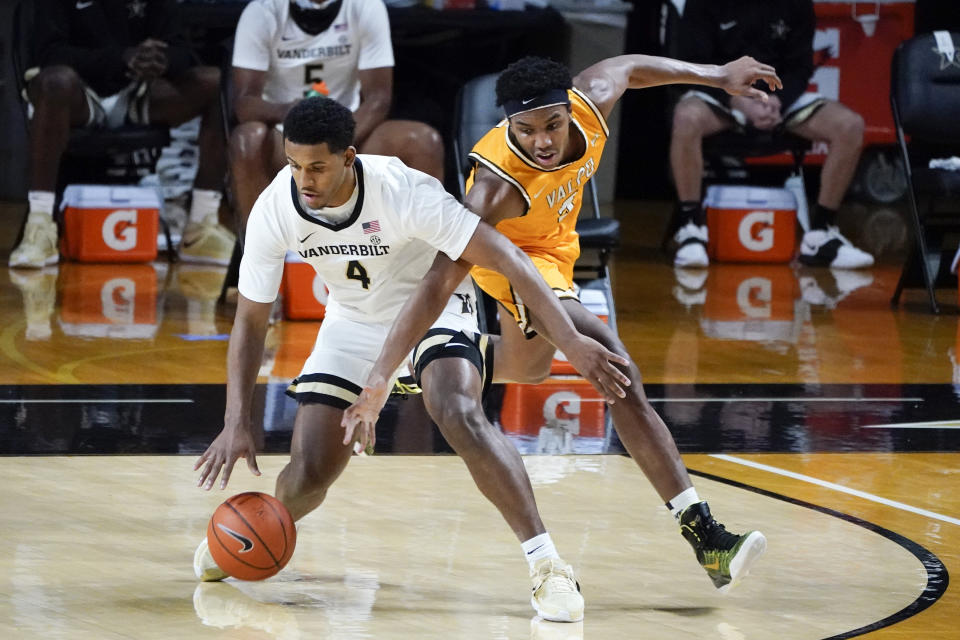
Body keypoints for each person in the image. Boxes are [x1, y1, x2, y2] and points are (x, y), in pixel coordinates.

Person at [342, 54, 775, 601]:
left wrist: (717, 76)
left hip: (556, 252)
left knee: (530, 368)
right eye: (526, 130)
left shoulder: (590, 106)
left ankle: (440, 360)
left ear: (570, 108)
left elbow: (631, 67)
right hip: (505, 261)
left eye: (552, 124)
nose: (542, 141)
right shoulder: (494, 190)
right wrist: (378, 375)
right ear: (508, 126)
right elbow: (437, 279)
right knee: (614, 364)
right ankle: (707, 536)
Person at [193, 97, 632, 623]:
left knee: (458, 410)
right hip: (353, 323)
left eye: (317, 167)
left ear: (349, 158)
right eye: (293, 164)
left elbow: (509, 258)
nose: (303, 180)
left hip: (436, 310)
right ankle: (254, 531)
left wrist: (573, 341)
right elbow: (250, 319)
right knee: (308, 473)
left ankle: (548, 565)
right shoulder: (275, 206)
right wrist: (236, 419)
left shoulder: (404, 191)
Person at [9, 0, 234, 270]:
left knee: (214, 82)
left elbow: (183, 51)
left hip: (136, 90)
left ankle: (201, 224)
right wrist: (121, 58)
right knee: (55, 81)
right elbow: (48, 54)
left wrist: (164, 60)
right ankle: (40, 224)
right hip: (78, 92)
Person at [668, 0, 873, 270]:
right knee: (686, 117)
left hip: (775, 99)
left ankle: (821, 234)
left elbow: (800, 67)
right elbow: (692, 66)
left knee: (850, 126)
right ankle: (692, 229)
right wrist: (738, 100)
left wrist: (779, 101)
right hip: (722, 96)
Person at [228, 0, 445, 239]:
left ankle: (424, 257)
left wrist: (336, 145)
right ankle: (261, 252)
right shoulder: (261, 11)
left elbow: (379, 99)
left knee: (423, 141)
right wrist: (290, 112)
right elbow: (245, 104)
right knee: (247, 139)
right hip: (286, 138)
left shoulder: (365, 7)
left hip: (349, 132)